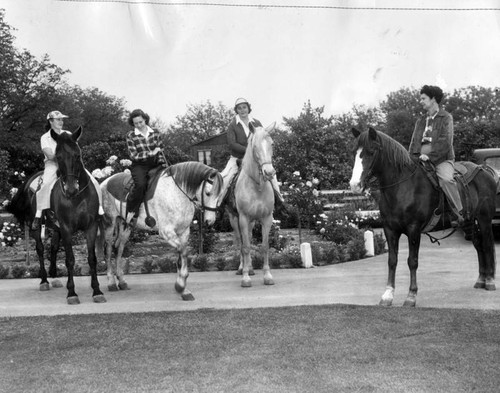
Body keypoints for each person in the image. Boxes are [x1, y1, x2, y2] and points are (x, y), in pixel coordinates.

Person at [32, 111, 104, 230]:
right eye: (58, 119)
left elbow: (75, 150)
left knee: (93, 181)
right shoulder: (45, 137)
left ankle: (100, 209)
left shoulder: (68, 134)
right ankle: (38, 214)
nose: (61, 122)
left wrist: (69, 158)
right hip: (53, 164)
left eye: (62, 119)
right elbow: (50, 155)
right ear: (51, 121)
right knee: (46, 184)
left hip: (70, 164)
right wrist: (64, 157)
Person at [409, 85, 464, 227]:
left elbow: (446, 142)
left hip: (441, 159)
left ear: (433, 99)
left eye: (423, 98)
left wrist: (431, 157)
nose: (420, 101)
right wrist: (412, 157)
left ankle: (459, 213)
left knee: (446, 180)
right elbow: (414, 142)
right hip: (419, 159)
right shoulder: (420, 120)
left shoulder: (446, 117)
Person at [221, 97, 285, 206]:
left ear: (248, 108)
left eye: (244, 107)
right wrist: (248, 150)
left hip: (256, 159)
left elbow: (262, 138)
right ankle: (219, 204)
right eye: (239, 108)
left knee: (272, 176)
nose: (242, 110)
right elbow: (232, 144)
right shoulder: (232, 125)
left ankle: (280, 202)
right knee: (224, 178)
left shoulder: (256, 122)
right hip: (237, 159)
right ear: (236, 110)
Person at [126, 108, 167, 226]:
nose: (139, 125)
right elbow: (133, 155)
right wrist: (150, 153)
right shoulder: (130, 135)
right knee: (141, 185)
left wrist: (161, 161)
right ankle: (132, 211)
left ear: (145, 120)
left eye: (141, 122)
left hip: (156, 163)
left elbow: (161, 148)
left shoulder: (155, 132)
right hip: (140, 165)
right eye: (135, 123)